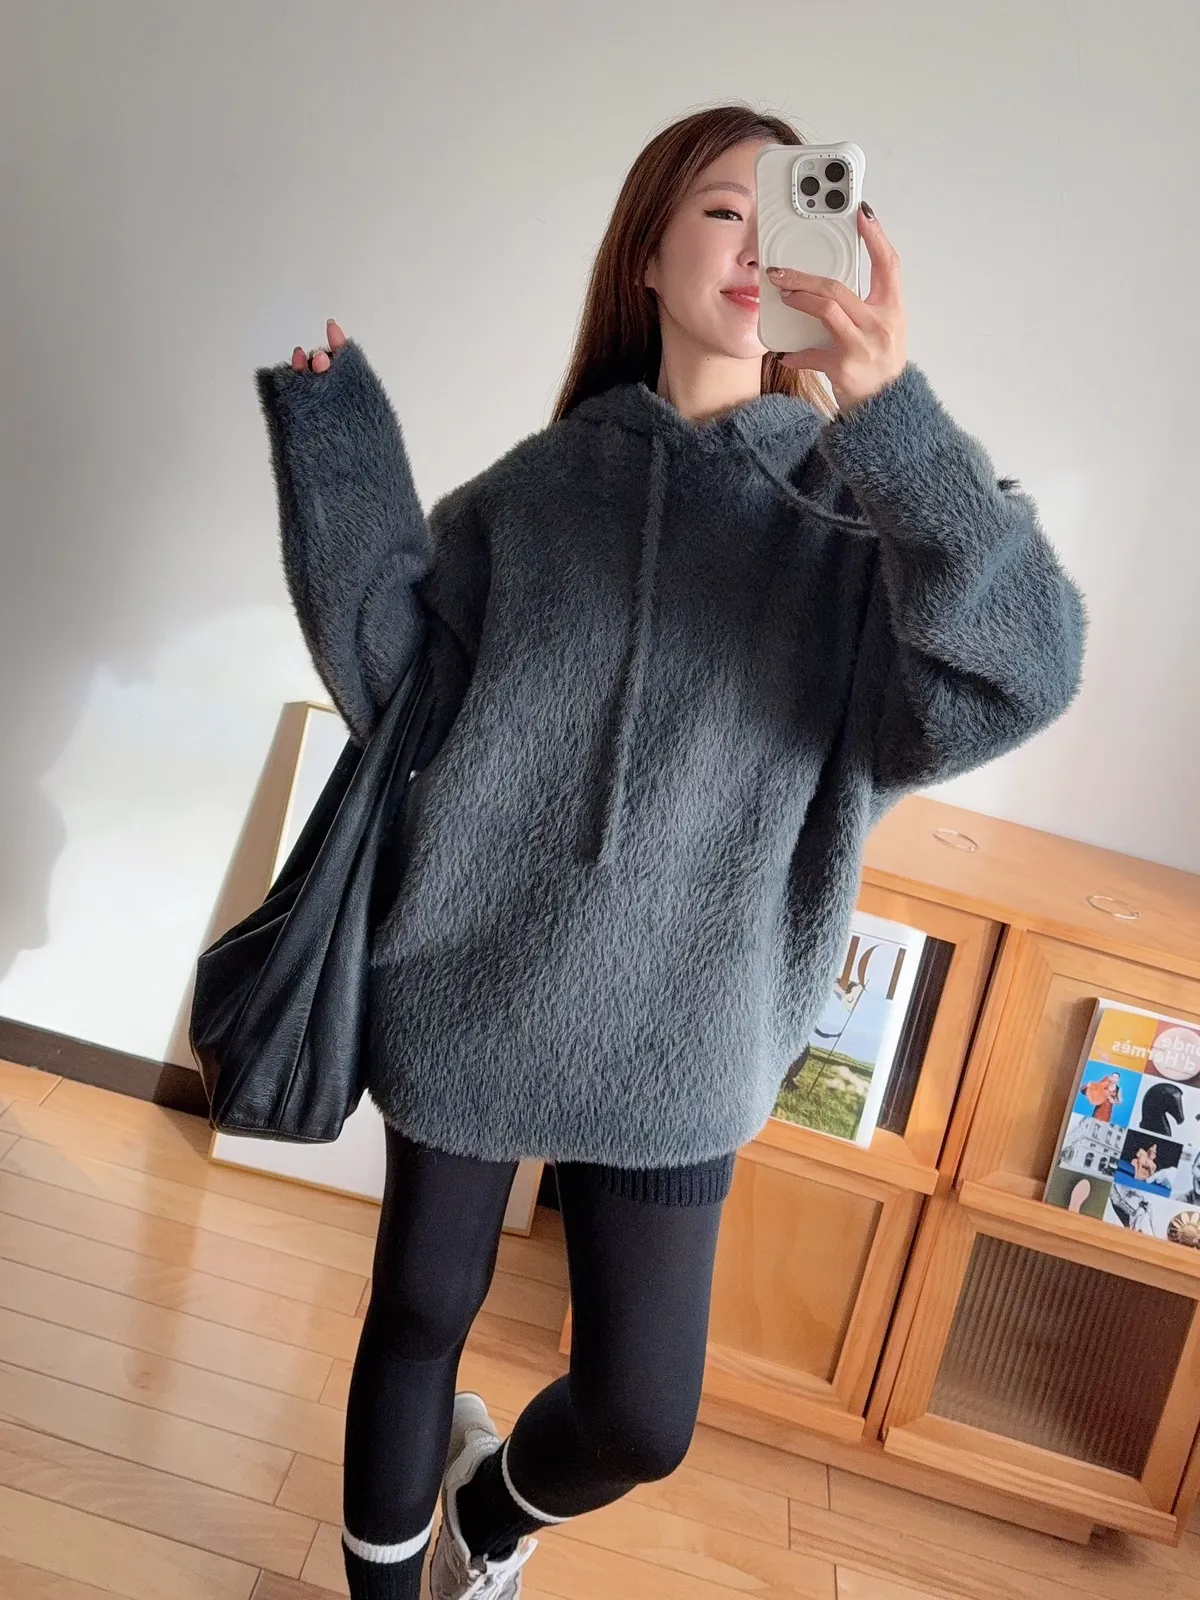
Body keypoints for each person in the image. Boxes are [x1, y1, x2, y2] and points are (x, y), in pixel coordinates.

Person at [253, 103, 1087, 1600]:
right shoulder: (535, 492)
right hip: (470, 980)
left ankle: (490, 1513)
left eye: (791, 212)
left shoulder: (861, 525)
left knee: (643, 1418)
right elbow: (398, 682)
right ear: (645, 254)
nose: (758, 246)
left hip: (688, 1028)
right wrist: (338, 448)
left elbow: (1019, 672)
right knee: (418, 1315)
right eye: (721, 210)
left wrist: (892, 420)